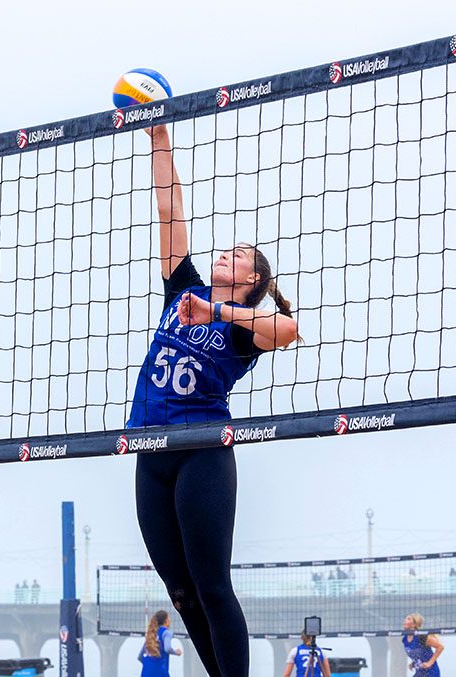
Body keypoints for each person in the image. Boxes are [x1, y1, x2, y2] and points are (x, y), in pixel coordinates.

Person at [129, 125, 300, 677]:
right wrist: (157, 135)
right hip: (150, 452)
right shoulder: (184, 288)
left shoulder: (245, 323)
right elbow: (169, 207)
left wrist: (218, 313)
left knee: (212, 585)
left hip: (203, 451)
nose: (227, 252)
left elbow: (287, 330)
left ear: (253, 281)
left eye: (240, 256)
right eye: (227, 249)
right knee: (180, 594)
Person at [138, 610, 182, 677]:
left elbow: (139, 657)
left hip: (146, 672)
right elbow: (167, 648)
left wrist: (149, 665)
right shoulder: (166, 632)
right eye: (168, 618)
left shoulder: (151, 635)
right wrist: (176, 652)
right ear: (166, 621)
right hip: (161, 672)